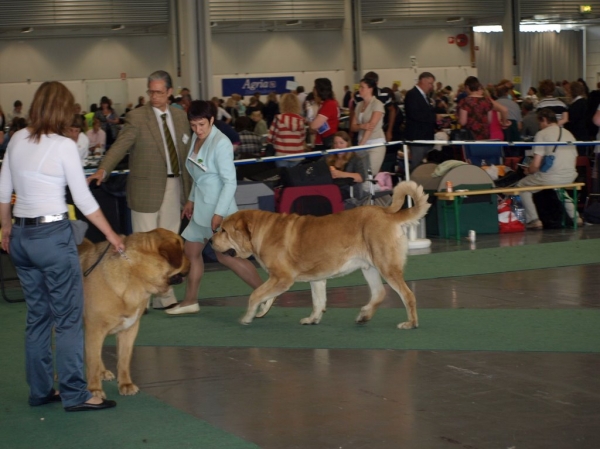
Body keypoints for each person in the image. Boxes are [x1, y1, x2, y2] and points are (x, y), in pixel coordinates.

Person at [0, 81, 124, 411]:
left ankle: (40, 391)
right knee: (68, 318)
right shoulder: (64, 145)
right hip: (53, 236)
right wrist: (111, 235)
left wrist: (5, 227)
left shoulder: (16, 139)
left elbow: (3, 191)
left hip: (22, 238)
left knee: (38, 317)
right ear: (62, 109)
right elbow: (82, 199)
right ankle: (75, 393)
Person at [87, 70, 192, 309]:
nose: (153, 96)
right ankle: (141, 299)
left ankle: (164, 296)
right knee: (144, 248)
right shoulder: (136, 117)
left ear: (169, 93)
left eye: (158, 92)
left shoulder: (180, 118)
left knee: (169, 248)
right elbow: (119, 147)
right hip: (146, 189)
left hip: (175, 186)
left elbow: (188, 153)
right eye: (150, 91)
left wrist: (192, 193)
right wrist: (103, 170)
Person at [166, 101, 265, 315]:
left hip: (219, 210)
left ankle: (265, 293)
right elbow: (199, 176)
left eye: (201, 124)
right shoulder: (195, 138)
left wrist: (219, 214)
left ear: (212, 120)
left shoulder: (222, 143)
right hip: (201, 207)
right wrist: (191, 199)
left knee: (226, 256)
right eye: (193, 125)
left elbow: (230, 182)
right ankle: (190, 301)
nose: (197, 129)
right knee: (191, 252)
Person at [516, 108, 581, 229]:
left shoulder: (542, 134)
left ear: (544, 120)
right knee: (559, 188)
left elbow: (535, 165)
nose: (539, 126)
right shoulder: (569, 133)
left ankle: (534, 220)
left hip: (551, 176)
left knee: (522, 187)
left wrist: (528, 171)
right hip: (570, 175)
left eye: (539, 123)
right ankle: (575, 217)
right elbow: (574, 159)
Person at [351, 77, 386, 174]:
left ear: (370, 89)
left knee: (368, 175)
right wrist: (361, 126)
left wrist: (361, 145)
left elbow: (371, 126)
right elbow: (353, 127)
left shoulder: (377, 104)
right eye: (359, 87)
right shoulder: (358, 105)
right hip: (361, 142)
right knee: (359, 173)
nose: (359, 89)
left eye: (362, 87)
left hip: (375, 143)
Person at [458, 76, 509, 141]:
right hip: (485, 135)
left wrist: (458, 120)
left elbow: (463, 122)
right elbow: (489, 120)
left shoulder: (464, 102)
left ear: (467, 87)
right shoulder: (487, 101)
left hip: (470, 136)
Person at [404, 72, 437, 168]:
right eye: (430, 83)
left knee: (425, 166)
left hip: (426, 137)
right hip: (417, 137)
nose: (431, 86)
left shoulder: (425, 96)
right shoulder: (412, 94)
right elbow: (415, 114)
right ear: (422, 81)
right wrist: (434, 117)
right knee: (416, 165)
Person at [326, 131, 368, 205]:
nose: (338, 146)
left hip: (348, 191)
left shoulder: (355, 159)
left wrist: (340, 174)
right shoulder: (328, 157)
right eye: (335, 143)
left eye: (341, 143)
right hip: (330, 189)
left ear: (347, 144)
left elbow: (361, 177)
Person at [266, 92, 306, 168]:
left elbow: (270, 138)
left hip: (281, 155)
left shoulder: (278, 118)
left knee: (283, 177)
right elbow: (302, 138)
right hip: (297, 155)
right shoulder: (300, 120)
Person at [309, 78, 339, 150]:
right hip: (322, 140)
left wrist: (311, 124)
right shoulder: (326, 104)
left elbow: (314, 126)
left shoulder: (329, 104)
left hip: (325, 143)